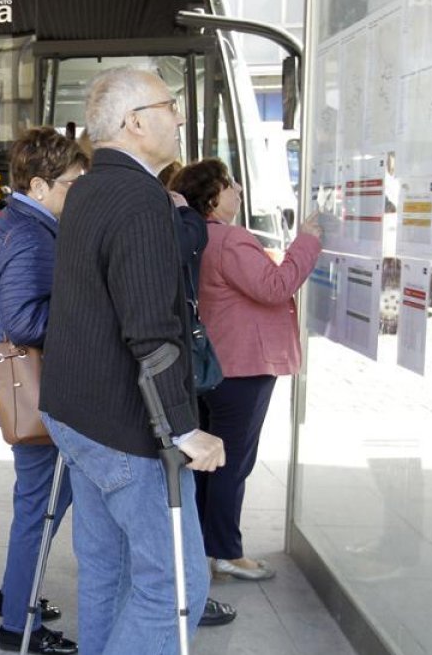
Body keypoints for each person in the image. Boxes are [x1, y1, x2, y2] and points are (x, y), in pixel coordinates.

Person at [38, 67, 227, 654]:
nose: (178, 116)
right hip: (126, 428)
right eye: (170, 105)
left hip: (77, 415)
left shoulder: (91, 187)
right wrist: (186, 428)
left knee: (107, 571)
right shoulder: (140, 198)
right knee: (175, 586)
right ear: (135, 121)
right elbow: (152, 332)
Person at [0, 127, 86, 655]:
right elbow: (25, 322)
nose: (77, 192)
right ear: (39, 185)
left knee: (43, 500)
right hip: (37, 394)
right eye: (71, 183)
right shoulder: (32, 235)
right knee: (41, 502)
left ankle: (16, 591)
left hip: (31, 393)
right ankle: (20, 626)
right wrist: (87, 302)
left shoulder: (19, 223)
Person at [170, 158, 322, 582]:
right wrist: (306, 242)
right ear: (214, 197)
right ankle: (226, 552)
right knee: (232, 462)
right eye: (231, 184)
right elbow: (275, 286)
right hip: (242, 366)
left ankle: (199, 545)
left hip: (206, 366)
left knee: (204, 460)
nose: (238, 189)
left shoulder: (191, 236)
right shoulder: (230, 239)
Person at [162, 159, 238, 627]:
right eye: (228, 184)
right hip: (190, 380)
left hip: (189, 378)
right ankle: (191, 594)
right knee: (189, 483)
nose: (238, 190)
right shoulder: (208, 234)